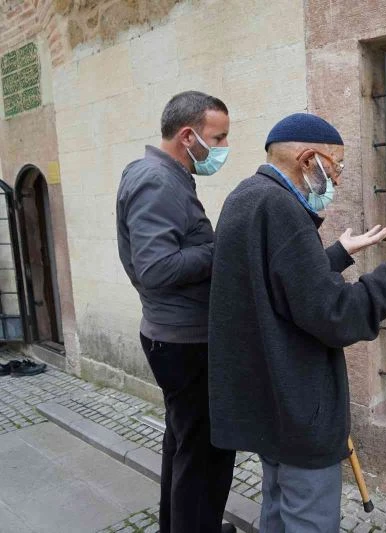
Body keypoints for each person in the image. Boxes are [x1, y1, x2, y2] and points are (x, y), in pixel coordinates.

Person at [208, 113, 386, 533]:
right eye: (337, 165)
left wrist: (338, 253)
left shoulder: (245, 196)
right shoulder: (282, 208)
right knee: (306, 518)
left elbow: (276, 285)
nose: (338, 179)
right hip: (296, 408)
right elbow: (337, 315)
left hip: (266, 405)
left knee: (277, 508)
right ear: (309, 159)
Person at [116, 91, 236, 533]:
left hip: (175, 333)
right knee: (206, 451)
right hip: (184, 340)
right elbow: (155, 267)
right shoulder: (158, 180)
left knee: (184, 443)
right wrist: (218, 248)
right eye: (218, 138)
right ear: (188, 136)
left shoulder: (158, 173)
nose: (222, 148)